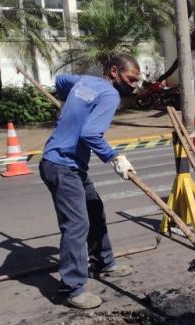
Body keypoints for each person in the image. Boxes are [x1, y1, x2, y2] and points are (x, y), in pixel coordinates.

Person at [39, 54, 140, 309]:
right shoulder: (110, 95)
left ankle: (104, 263)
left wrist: (73, 104)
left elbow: (60, 80)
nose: (133, 86)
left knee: (94, 209)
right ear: (115, 72)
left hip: (68, 165)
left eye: (137, 81)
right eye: (130, 79)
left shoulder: (85, 82)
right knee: (76, 224)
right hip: (62, 165)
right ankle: (71, 288)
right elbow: (91, 133)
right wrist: (114, 157)